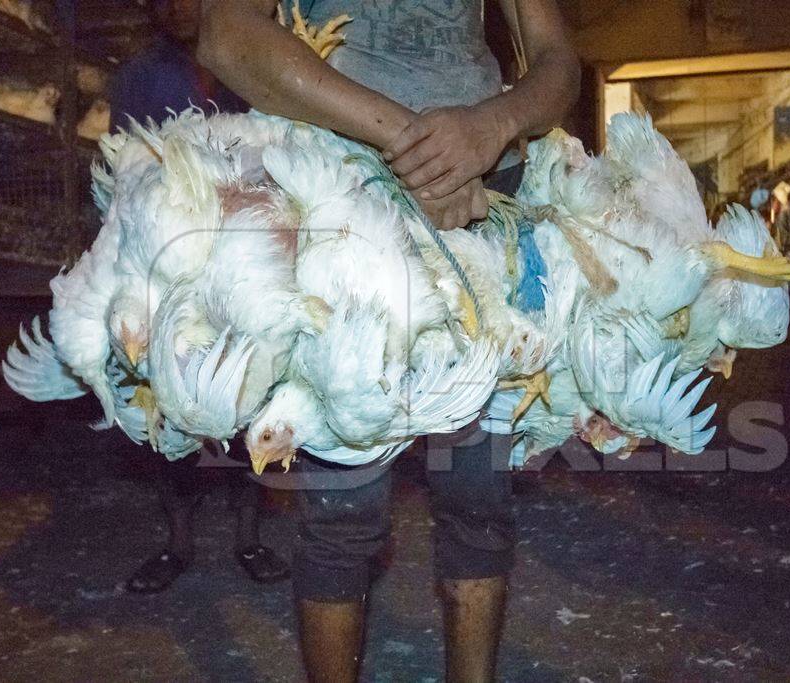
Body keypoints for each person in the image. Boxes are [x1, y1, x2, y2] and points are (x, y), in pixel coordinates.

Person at [198, 1, 579, 680]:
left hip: (485, 197)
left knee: (479, 492)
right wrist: (420, 148)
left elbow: (555, 58)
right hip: (341, 187)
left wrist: (493, 124)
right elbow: (225, 35)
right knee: (346, 503)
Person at [110, 0, 288, 594]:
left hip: (242, 255)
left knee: (249, 395)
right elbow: (125, 171)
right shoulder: (140, 76)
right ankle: (176, 543)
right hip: (171, 255)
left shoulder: (256, 59)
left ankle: (249, 537)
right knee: (164, 404)